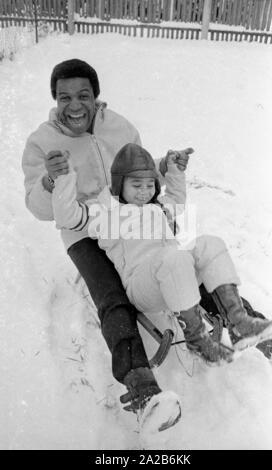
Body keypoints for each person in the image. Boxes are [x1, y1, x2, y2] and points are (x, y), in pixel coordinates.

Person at [21, 59, 191, 431]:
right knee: (110, 295)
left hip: (126, 218)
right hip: (83, 229)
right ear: (55, 99)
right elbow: (36, 207)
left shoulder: (121, 127)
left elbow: (139, 169)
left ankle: (234, 315)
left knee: (177, 255)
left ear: (96, 98)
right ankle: (142, 387)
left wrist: (166, 164)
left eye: (83, 95)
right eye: (65, 97)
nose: (75, 105)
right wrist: (52, 181)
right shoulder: (41, 142)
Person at [51, 143, 272, 417]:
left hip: (175, 274)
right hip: (142, 285)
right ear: (118, 185)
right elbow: (67, 216)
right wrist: (64, 179)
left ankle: (239, 320)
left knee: (209, 243)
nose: (145, 191)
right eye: (136, 185)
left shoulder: (158, 207)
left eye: (149, 184)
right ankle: (197, 339)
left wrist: (174, 169)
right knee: (174, 257)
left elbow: (177, 200)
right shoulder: (104, 212)